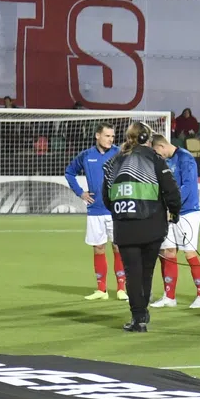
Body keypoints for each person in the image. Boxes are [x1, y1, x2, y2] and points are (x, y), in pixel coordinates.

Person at [103, 121, 181, 332]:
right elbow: (171, 190)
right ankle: (142, 312)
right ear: (148, 139)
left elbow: (106, 197)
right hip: (152, 225)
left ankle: (138, 317)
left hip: (125, 227)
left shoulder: (113, 163)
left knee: (133, 273)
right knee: (146, 272)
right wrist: (174, 211)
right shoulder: (154, 159)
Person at [65, 124, 122, 301]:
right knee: (98, 248)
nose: (111, 139)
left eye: (112, 136)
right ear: (97, 136)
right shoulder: (86, 155)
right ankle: (101, 290)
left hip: (116, 210)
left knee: (119, 247)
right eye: (107, 136)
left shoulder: (119, 153)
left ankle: (121, 288)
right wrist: (80, 192)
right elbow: (69, 172)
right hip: (95, 210)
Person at [149, 133, 200, 310]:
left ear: (161, 147)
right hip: (169, 212)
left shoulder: (185, 159)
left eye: (157, 153)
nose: (157, 157)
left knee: (189, 253)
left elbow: (187, 187)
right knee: (168, 252)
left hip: (188, 213)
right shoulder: (164, 161)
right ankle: (169, 296)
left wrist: (172, 206)